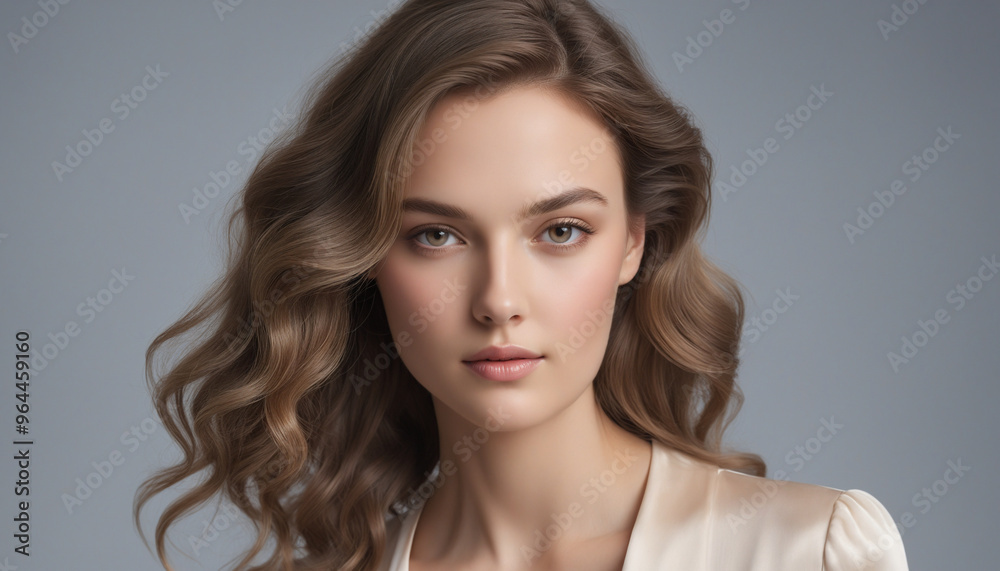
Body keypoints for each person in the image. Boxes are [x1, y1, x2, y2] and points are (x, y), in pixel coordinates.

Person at [133, 1, 910, 570]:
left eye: (560, 230)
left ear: (635, 241)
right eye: (436, 234)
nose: (498, 300)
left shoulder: (807, 552)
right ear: (365, 253)